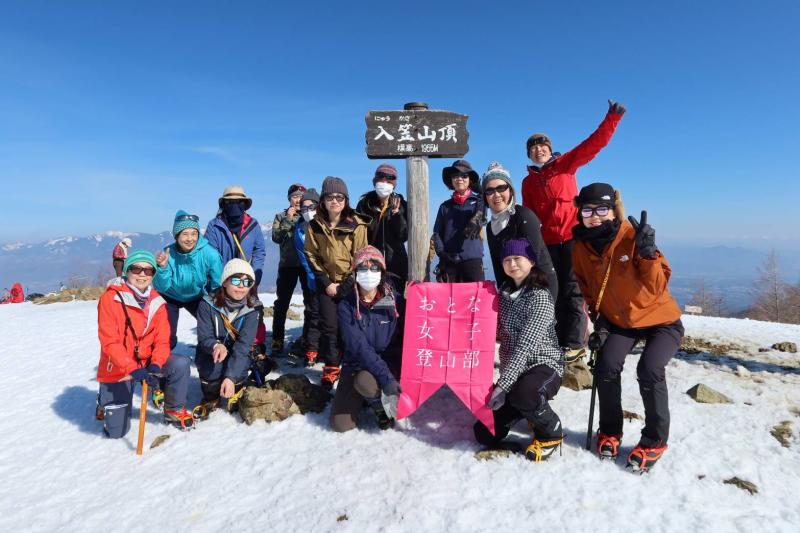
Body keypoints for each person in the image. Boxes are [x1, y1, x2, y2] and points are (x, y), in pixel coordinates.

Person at [571, 183, 683, 473]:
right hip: (621, 323)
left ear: (612, 210)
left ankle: (654, 440)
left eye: (601, 209)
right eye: (588, 210)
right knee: (606, 366)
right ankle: (610, 431)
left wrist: (648, 254)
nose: (594, 216)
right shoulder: (580, 247)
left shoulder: (632, 236)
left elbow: (658, 285)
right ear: (579, 212)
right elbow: (588, 289)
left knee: (649, 369)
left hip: (662, 320)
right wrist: (601, 322)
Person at [521, 100, 626, 361]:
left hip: (571, 238)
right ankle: (554, 340)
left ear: (550, 149)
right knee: (550, 293)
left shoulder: (565, 165)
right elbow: (529, 215)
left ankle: (575, 343)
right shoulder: (528, 182)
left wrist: (612, 118)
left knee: (573, 291)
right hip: (546, 244)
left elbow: (593, 145)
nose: (538, 151)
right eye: (533, 148)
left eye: (542, 146)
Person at [473, 239, 565, 462]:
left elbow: (525, 347)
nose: (512, 263)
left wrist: (502, 386)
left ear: (531, 261)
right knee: (484, 432)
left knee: (526, 394)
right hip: (515, 373)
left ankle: (551, 432)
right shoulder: (504, 296)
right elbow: (490, 329)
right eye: (507, 260)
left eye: (517, 258)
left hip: (543, 365)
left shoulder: (541, 297)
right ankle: (527, 409)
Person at [95, 249, 194, 436]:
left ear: (153, 275)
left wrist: (156, 363)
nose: (142, 274)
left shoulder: (158, 302)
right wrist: (131, 368)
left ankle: (173, 409)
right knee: (117, 431)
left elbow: (162, 340)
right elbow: (110, 342)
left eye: (148, 271)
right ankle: (104, 398)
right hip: (119, 366)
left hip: (147, 361)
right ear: (127, 271)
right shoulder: (111, 299)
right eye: (136, 269)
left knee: (180, 363)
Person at [304, 176, 369, 390]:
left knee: (350, 327)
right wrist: (326, 282)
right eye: (330, 197)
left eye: (339, 197)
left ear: (346, 200)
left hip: (351, 284)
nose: (335, 201)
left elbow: (362, 256)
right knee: (329, 327)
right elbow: (311, 254)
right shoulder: (315, 226)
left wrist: (346, 284)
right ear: (323, 200)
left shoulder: (356, 224)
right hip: (327, 284)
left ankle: (353, 367)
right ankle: (331, 368)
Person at [330, 246, 404, 432]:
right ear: (355, 273)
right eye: (363, 268)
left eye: (374, 268)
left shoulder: (396, 302)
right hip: (357, 364)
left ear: (382, 272)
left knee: (365, 381)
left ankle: (376, 402)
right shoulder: (347, 305)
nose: (369, 273)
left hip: (388, 364)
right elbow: (359, 347)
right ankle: (374, 399)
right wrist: (386, 380)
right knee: (341, 424)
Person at [193, 259, 263, 418]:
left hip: (238, 354)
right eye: (236, 279)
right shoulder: (207, 304)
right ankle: (211, 397)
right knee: (212, 366)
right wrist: (215, 345)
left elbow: (243, 346)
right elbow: (204, 337)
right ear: (224, 282)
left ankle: (235, 388)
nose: (241, 286)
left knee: (239, 367)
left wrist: (231, 377)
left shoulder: (252, 309)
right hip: (212, 353)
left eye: (247, 281)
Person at [481, 161, 558, 302]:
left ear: (510, 190)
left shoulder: (523, 216)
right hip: (513, 290)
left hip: (539, 289)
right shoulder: (491, 226)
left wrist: (523, 298)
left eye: (501, 188)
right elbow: (498, 266)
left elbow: (534, 258)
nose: (496, 194)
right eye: (490, 191)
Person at [153, 210, 224, 349]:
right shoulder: (168, 253)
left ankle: (211, 358)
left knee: (213, 329)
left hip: (197, 296)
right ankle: (158, 365)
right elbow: (162, 287)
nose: (190, 238)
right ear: (177, 236)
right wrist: (162, 267)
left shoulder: (209, 254)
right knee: (166, 336)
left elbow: (218, 283)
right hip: (170, 297)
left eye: (194, 233)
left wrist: (217, 305)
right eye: (185, 234)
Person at [271, 183, 311, 355]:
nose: (297, 200)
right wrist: (288, 218)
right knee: (282, 303)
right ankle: (277, 339)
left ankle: (307, 338)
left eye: (301, 197)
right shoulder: (280, 216)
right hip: (287, 265)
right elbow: (276, 237)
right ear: (289, 199)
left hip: (306, 265)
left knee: (310, 303)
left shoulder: (310, 216)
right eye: (294, 197)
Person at [355, 164, 409, 288]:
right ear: (374, 181)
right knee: (372, 301)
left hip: (396, 264)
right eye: (380, 177)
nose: (384, 181)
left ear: (394, 183)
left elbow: (403, 236)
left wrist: (397, 215)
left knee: (396, 301)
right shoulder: (364, 204)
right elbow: (359, 234)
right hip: (371, 264)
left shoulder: (401, 204)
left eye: (389, 178)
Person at [432, 159, 485, 282]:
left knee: (475, 300)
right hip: (449, 261)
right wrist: (443, 254)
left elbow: (482, 216)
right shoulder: (445, 206)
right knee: (449, 301)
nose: (459, 178)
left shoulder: (479, 202)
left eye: (464, 175)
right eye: (455, 176)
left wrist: (481, 194)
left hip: (473, 261)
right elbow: (437, 233)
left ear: (470, 179)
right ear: (451, 180)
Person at [205, 186, 266, 286]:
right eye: (230, 202)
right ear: (224, 205)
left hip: (245, 284)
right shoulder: (214, 227)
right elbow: (210, 257)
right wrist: (221, 283)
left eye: (239, 202)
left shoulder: (253, 225)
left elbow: (259, 253)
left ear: (245, 204)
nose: (235, 206)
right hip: (221, 284)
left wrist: (252, 281)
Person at [294, 188, 322, 366]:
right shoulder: (299, 230)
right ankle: (312, 349)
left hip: (334, 280)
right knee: (313, 313)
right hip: (313, 280)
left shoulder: (329, 224)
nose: (307, 211)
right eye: (304, 208)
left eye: (311, 206)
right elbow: (304, 259)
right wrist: (316, 279)